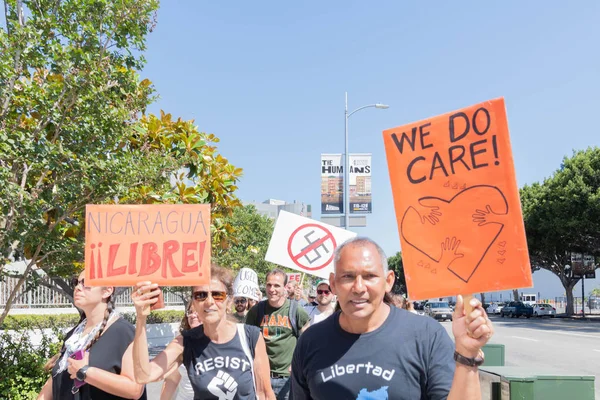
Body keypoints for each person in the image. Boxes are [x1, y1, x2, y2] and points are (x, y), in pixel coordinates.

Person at [291, 237, 494, 400]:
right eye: (348, 277)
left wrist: (467, 354)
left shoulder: (426, 335)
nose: (359, 288)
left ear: (388, 281)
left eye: (370, 276)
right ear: (333, 284)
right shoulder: (310, 342)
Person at [131, 264, 275, 400]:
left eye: (218, 295)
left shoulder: (250, 337)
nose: (209, 301)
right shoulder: (185, 342)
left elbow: (265, 395)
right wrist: (141, 317)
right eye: (201, 295)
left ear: (229, 301)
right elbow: (144, 375)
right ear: (193, 303)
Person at [37, 272, 146, 400]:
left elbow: (135, 389)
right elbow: (54, 384)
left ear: (107, 291)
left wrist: (86, 371)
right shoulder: (73, 336)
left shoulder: (124, 332)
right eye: (76, 282)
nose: (77, 287)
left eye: (86, 283)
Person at [246, 269, 310, 400]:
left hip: (286, 379)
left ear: (285, 287)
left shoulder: (295, 310)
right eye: (269, 285)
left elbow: (308, 341)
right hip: (261, 376)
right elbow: (247, 341)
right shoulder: (256, 311)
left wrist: (299, 363)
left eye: (277, 285)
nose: (272, 289)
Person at [160, 301, 201, 400]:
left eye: (197, 312)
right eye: (190, 312)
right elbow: (171, 380)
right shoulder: (181, 343)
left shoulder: (220, 343)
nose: (192, 315)